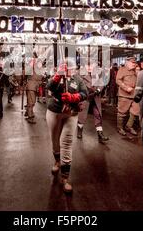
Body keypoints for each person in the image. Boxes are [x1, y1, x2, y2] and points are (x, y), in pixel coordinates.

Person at [46, 57, 88, 193]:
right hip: (55, 112)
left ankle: (65, 177)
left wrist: (74, 98)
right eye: (68, 69)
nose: (71, 72)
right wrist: (58, 76)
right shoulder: (57, 76)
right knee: (55, 140)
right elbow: (50, 87)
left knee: (67, 142)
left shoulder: (77, 79)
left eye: (73, 69)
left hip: (71, 113)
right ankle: (57, 161)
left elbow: (84, 93)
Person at [77, 62, 109, 143]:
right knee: (82, 115)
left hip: (96, 97)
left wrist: (98, 90)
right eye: (88, 65)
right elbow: (78, 84)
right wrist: (87, 91)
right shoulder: (80, 73)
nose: (89, 67)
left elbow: (102, 82)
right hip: (85, 97)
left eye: (91, 65)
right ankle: (79, 130)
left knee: (98, 114)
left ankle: (100, 134)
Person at [116, 56, 139, 136]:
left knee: (135, 111)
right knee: (122, 112)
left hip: (134, 94)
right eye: (133, 63)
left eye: (135, 62)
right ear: (127, 62)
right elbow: (118, 80)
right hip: (124, 95)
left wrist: (137, 71)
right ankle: (120, 128)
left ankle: (128, 126)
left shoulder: (135, 70)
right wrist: (126, 87)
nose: (134, 64)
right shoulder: (122, 69)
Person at [25, 57, 43, 124]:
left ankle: (30, 113)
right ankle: (30, 117)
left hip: (33, 87)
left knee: (32, 102)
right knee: (31, 103)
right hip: (31, 87)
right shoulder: (33, 69)